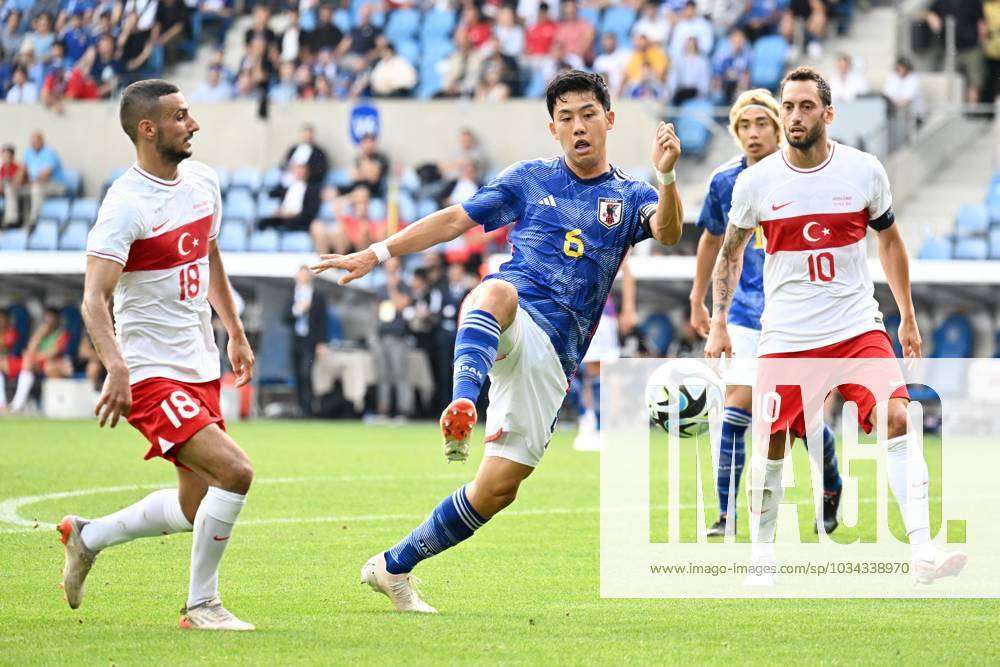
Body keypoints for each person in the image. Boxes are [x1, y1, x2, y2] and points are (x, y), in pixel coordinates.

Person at [312, 70, 684, 612]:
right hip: (514, 315)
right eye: (566, 118)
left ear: (609, 119)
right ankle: (463, 398)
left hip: (555, 360)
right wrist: (378, 253)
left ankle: (392, 568)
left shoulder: (630, 196)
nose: (578, 127)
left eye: (587, 114)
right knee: (496, 292)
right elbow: (453, 220)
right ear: (552, 128)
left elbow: (670, 232)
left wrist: (668, 177)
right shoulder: (529, 178)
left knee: (495, 491)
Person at [705, 67, 966, 584]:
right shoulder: (756, 183)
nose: (795, 116)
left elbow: (890, 241)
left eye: (805, 107)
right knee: (771, 445)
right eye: (789, 107)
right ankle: (761, 558)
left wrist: (907, 315)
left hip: (855, 328)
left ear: (828, 113)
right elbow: (729, 254)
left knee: (897, 415)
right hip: (786, 336)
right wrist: (718, 322)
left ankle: (922, 552)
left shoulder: (864, 171)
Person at [63, 79, 256, 630]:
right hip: (150, 372)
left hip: (199, 363)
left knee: (197, 506)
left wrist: (234, 332)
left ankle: (87, 536)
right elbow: (93, 299)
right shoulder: (125, 206)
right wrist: (118, 366)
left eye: (189, 114)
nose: (193, 124)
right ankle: (202, 607)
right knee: (236, 472)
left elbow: (210, 256)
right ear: (147, 129)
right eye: (180, 117)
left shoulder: (203, 181)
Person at [691, 88, 842, 538]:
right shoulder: (725, 181)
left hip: (797, 312)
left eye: (761, 124)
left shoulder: (798, 173)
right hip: (743, 308)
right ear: (735, 132)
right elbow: (712, 241)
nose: (752, 133)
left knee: (801, 421)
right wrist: (700, 298)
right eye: (743, 126)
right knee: (736, 406)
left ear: (778, 129)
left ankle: (831, 484)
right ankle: (725, 514)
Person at [572, 259, 636, 452]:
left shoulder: (607, 231)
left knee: (597, 371)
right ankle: (589, 419)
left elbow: (626, 269)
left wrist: (628, 308)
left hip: (599, 311)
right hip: (569, 310)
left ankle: (600, 429)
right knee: (569, 370)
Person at [7, 307, 72, 413]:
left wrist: (33, 356)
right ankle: (17, 405)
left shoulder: (63, 334)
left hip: (54, 364)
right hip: (37, 364)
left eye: (52, 319)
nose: (49, 322)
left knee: (30, 362)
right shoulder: (41, 333)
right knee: (26, 363)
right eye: (47, 319)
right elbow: (30, 348)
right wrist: (40, 333)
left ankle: (18, 404)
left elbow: (52, 354)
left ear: (57, 320)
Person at [286, 266, 328, 417]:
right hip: (297, 339)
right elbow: (285, 317)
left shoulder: (318, 295)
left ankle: (309, 408)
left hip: (311, 340)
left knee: (307, 373)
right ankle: (300, 408)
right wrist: (298, 310)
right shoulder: (292, 294)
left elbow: (322, 320)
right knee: (297, 373)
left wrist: (322, 342)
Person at [22, 130, 67, 225]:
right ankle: (13, 221)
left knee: (36, 189)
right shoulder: (28, 153)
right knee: (14, 189)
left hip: (55, 185)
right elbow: (23, 171)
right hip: (34, 184)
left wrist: (32, 182)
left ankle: (34, 221)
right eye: (32, 141)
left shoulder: (49, 153)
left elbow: (45, 176)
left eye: (35, 140)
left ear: (42, 140)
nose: (33, 143)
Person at [1, 144, 25, 227]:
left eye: (7, 156)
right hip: (4, 193)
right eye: (3, 155)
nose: (5, 158)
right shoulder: (2, 168)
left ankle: (11, 220)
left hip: (19, 191)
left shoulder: (18, 167)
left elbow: (18, 182)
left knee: (8, 188)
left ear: (12, 156)